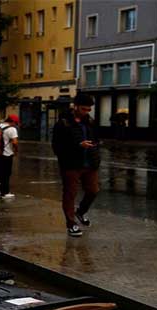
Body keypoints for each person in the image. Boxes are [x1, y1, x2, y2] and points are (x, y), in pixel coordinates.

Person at [52, 93, 100, 237]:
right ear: (76, 106)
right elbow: (57, 147)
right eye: (84, 109)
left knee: (93, 190)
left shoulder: (90, 121)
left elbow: (96, 139)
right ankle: (71, 223)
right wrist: (78, 145)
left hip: (90, 163)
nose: (86, 112)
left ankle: (81, 212)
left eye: (89, 110)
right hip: (71, 164)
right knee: (70, 193)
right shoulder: (63, 123)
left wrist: (96, 149)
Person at [0, 114, 20, 198]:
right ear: (12, 122)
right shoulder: (12, 129)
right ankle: (5, 192)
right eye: (16, 123)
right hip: (6, 154)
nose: (16, 125)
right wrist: (16, 151)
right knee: (5, 174)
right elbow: (15, 142)